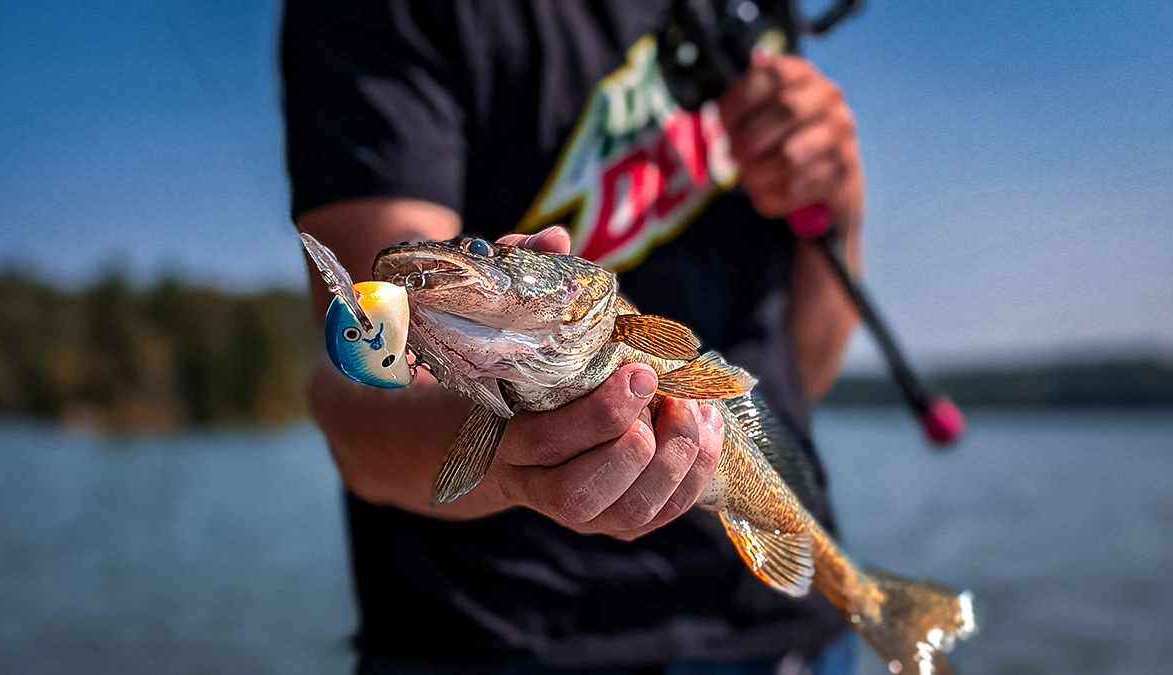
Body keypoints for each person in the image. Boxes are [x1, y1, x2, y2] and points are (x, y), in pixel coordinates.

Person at [281, 1, 863, 672]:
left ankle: (874, 604)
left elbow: (803, 372)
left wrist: (842, 204)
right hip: (499, 638)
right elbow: (360, 386)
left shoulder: (752, 15)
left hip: (789, 632)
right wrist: (511, 455)